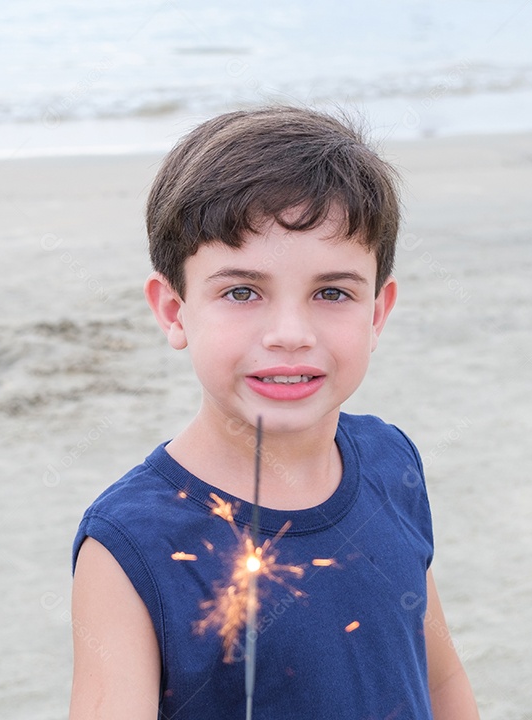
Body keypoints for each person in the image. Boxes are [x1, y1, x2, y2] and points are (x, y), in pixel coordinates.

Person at [70, 106, 479, 719]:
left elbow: (440, 681)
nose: (290, 333)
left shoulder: (392, 462)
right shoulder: (131, 544)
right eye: (242, 292)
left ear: (377, 313)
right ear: (174, 311)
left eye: (332, 292)